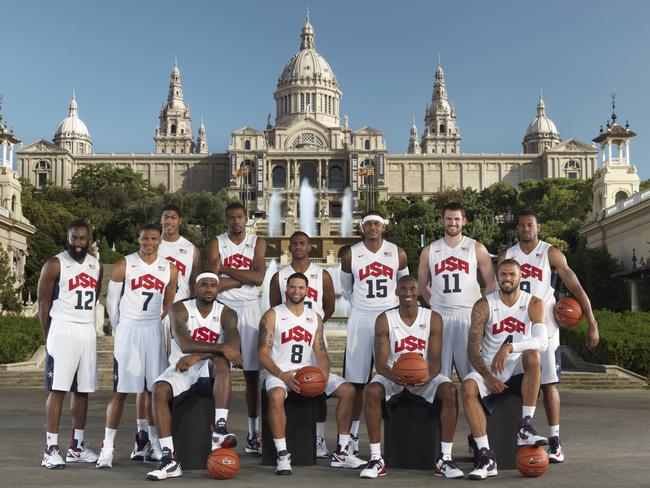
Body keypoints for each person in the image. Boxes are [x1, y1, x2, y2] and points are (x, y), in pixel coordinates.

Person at [501, 210, 600, 462]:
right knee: (506, 379)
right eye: (522, 225)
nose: (526, 229)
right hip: (514, 319)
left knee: (548, 383)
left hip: (545, 322)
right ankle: (520, 431)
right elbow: (493, 289)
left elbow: (575, 286)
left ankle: (555, 440)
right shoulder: (507, 255)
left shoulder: (550, 253)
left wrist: (592, 320)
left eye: (530, 225)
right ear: (517, 229)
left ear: (538, 227)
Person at [258, 272, 364, 475]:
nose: (296, 291)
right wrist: (282, 375)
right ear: (286, 289)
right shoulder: (272, 315)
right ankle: (282, 454)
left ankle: (342, 451)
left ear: (307, 291)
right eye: (292, 287)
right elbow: (262, 355)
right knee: (277, 395)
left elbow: (322, 352)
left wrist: (322, 375)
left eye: (301, 287)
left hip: (307, 372)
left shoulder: (314, 318)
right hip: (278, 372)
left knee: (348, 390)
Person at [359, 275, 463, 479]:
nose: (408, 293)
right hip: (393, 375)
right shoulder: (384, 319)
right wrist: (395, 376)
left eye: (412, 289)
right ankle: (376, 458)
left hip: (423, 375)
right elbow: (380, 362)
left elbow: (435, 359)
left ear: (419, 292)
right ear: (396, 292)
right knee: (372, 391)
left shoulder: (433, 318)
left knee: (450, 391)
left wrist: (428, 376)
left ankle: (446, 459)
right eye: (403, 289)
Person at [145, 273, 243, 481]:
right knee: (159, 389)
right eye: (204, 285)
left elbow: (233, 349)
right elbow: (185, 344)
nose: (209, 289)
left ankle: (220, 428)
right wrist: (214, 350)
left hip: (208, 367)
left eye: (213, 285)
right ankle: (169, 458)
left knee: (222, 362)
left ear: (218, 289)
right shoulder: (179, 309)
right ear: (195, 288)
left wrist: (199, 355)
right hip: (182, 366)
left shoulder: (227, 313)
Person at [97, 224, 178, 468]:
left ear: (160, 240)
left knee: (155, 390)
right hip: (130, 329)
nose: (149, 242)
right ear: (138, 238)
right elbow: (112, 300)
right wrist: (120, 327)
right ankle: (107, 447)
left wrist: (163, 313)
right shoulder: (125, 263)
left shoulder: (169, 268)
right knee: (121, 391)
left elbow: (171, 291)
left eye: (154, 238)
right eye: (145, 238)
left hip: (153, 329)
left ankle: (154, 443)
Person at [462, 259, 548, 480]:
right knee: (468, 387)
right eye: (503, 275)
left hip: (518, 364)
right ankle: (486, 456)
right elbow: (472, 348)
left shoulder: (534, 303)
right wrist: (487, 376)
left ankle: (525, 426)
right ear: (497, 277)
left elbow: (541, 341)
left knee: (533, 355)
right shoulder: (484, 305)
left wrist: (510, 347)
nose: (507, 279)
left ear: (520, 277)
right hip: (491, 366)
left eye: (512, 274)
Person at [132, 203, 201, 462]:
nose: (168, 221)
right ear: (160, 221)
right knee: (146, 378)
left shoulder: (191, 249)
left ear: (179, 221)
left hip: (180, 316)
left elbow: (193, 285)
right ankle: (142, 438)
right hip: (153, 316)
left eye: (173, 217)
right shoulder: (151, 244)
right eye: (165, 218)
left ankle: (169, 435)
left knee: (173, 375)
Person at [339, 211, 409, 454]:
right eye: (368, 224)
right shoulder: (350, 254)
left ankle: (396, 434)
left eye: (376, 224)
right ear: (362, 227)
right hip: (361, 317)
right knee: (356, 382)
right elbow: (346, 290)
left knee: (395, 374)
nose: (372, 228)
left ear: (383, 227)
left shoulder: (397, 252)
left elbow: (404, 286)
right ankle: (353, 437)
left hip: (388, 318)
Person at [37, 219, 103, 469]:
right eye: (74, 238)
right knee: (58, 390)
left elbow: (95, 296)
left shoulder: (96, 264)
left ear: (88, 239)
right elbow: (44, 303)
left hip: (86, 329)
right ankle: (51, 448)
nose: (78, 243)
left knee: (83, 390)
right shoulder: (55, 264)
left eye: (82, 238)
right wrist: (49, 335)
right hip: (62, 328)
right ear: (68, 237)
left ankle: (77, 446)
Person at [206, 202, 267, 454]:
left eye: (240, 217)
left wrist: (226, 271)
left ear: (246, 218)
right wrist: (244, 276)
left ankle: (254, 434)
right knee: (220, 371)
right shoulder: (216, 242)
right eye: (231, 218)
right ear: (226, 220)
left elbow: (259, 277)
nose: (236, 221)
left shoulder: (257, 242)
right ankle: (219, 429)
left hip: (251, 310)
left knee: (252, 375)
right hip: (224, 311)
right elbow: (211, 281)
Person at [269, 231, 336, 458]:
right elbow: (274, 307)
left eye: (303, 243)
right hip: (288, 340)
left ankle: (318, 438)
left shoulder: (322, 274)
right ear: (290, 246)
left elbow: (329, 306)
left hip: (313, 334)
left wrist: (313, 325)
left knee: (320, 386)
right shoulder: (279, 276)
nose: (299, 247)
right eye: (295, 244)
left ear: (310, 247)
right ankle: (288, 440)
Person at [417, 201, 496, 382]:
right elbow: (422, 285)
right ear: (442, 220)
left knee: (472, 375)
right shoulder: (430, 250)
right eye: (449, 219)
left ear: (464, 221)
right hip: (440, 317)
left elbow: (491, 283)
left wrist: (480, 312)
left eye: (457, 219)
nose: (453, 223)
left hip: (468, 316)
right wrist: (436, 304)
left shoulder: (476, 247)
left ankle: (477, 409)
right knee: (437, 376)